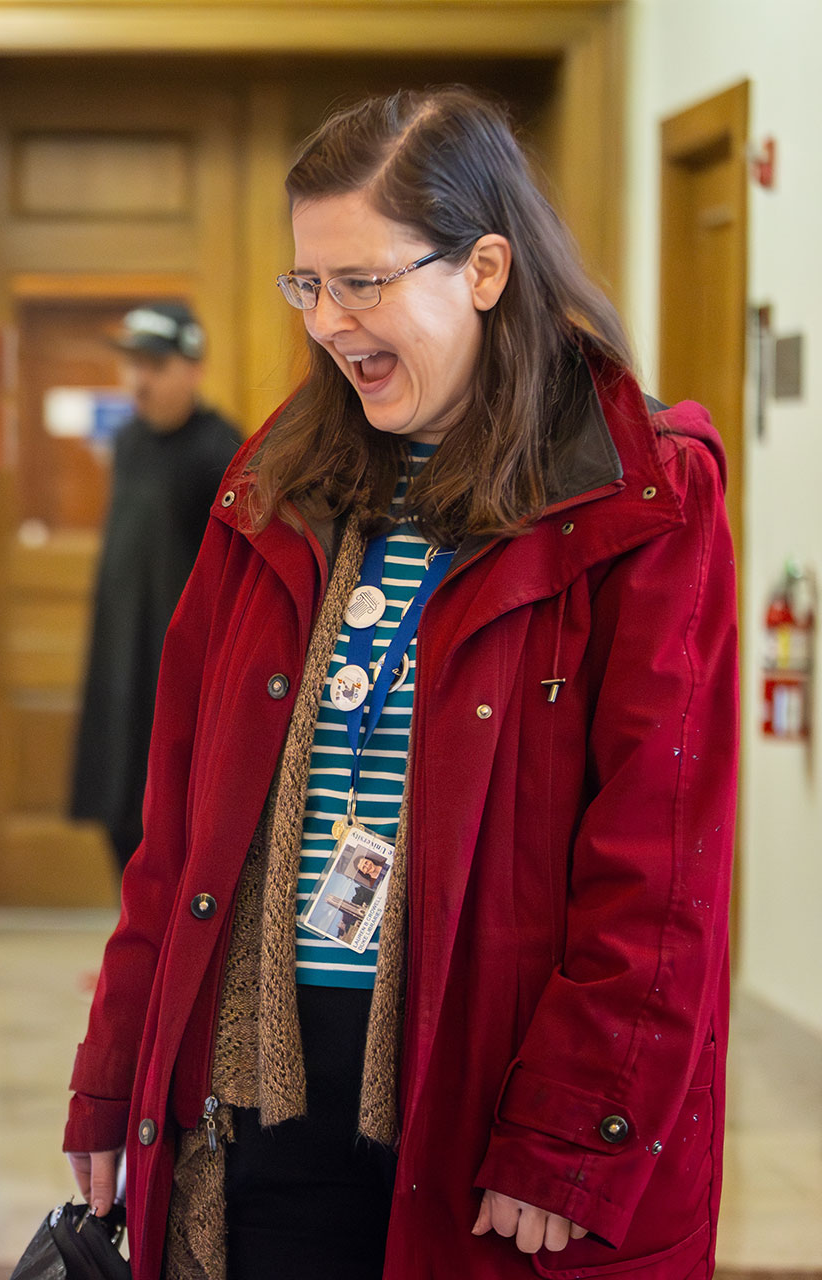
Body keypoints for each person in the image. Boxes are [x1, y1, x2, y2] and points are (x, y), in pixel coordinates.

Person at [61, 88, 737, 1280]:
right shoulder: (272, 487)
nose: (327, 320)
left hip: (493, 1112)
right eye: (306, 284)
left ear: (484, 267)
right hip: (259, 1099)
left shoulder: (646, 496)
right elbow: (177, 825)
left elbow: (662, 870)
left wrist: (576, 1128)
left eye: (361, 280)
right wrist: (116, 1064)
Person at [71, 302, 243, 872]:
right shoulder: (128, 444)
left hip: (180, 672)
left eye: (155, 366)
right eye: (132, 366)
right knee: (117, 813)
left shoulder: (223, 452)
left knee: (170, 823)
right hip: (120, 661)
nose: (139, 381)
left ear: (194, 368)